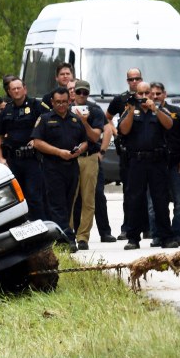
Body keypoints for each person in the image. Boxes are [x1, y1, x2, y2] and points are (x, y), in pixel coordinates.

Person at [118, 81, 177, 250]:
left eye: (147, 93)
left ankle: (166, 237)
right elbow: (124, 130)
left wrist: (155, 109)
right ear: (135, 94)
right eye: (140, 94)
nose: (144, 97)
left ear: (152, 94)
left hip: (157, 161)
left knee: (161, 199)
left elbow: (169, 125)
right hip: (136, 161)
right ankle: (133, 238)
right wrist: (130, 111)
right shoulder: (130, 110)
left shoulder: (160, 110)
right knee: (134, 199)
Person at [31, 87, 87, 250]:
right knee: (57, 204)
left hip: (72, 167)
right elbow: (37, 142)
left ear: (69, 101)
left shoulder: (76, 120)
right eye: (58, 102)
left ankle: (61, 236)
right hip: (52, 167)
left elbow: (85, 141)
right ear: (52, 102)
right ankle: (67, 238)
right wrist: (58, 152)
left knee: (69, 203)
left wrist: (80, 150)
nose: (62, 105)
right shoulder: (45, 119)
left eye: (64, 102)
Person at [0, 78, 48, 221]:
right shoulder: (7, 109)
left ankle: (42, 230)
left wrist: (37, 139)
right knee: (16, 198)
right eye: (14, 89)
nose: (17, 91)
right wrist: (0, 158)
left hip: (32, 160)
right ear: (9, 92)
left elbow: (47, 124)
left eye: (19, 88)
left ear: (25, 89)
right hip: (13, 160)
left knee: (34, 196)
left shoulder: (36, 105)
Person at [106, 68, 145, 240]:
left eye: (137, 78)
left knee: (149, 192)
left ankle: (148, 228)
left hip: (147, 151)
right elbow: (106, 117)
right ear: (127, 81)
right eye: (131, 79)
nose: (134, 82)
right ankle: (127, 227)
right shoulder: (121, 99)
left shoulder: (148, 98)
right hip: (128, 152)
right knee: (129, 192)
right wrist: (115, 132)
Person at [68, 79, 106, 250]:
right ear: (73, 93)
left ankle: (83, 237)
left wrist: (84, 121)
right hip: (70, 157)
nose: (82, 96)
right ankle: (68, 234)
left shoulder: (95, 111)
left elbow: (95, 137)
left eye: (85, 93)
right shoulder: (65, 109)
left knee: (89, 198)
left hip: (89, 157)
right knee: (70, 197)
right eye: (79, 92)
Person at [151, 82, 180, 246]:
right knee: (155, 204)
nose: (154, 97)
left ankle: (177, 234)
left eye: (158, 93)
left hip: (176, 163)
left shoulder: (178, 113)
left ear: (164, 94)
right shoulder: (147, 113)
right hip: (155, 165)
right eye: (151, 94)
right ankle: (158, 234)